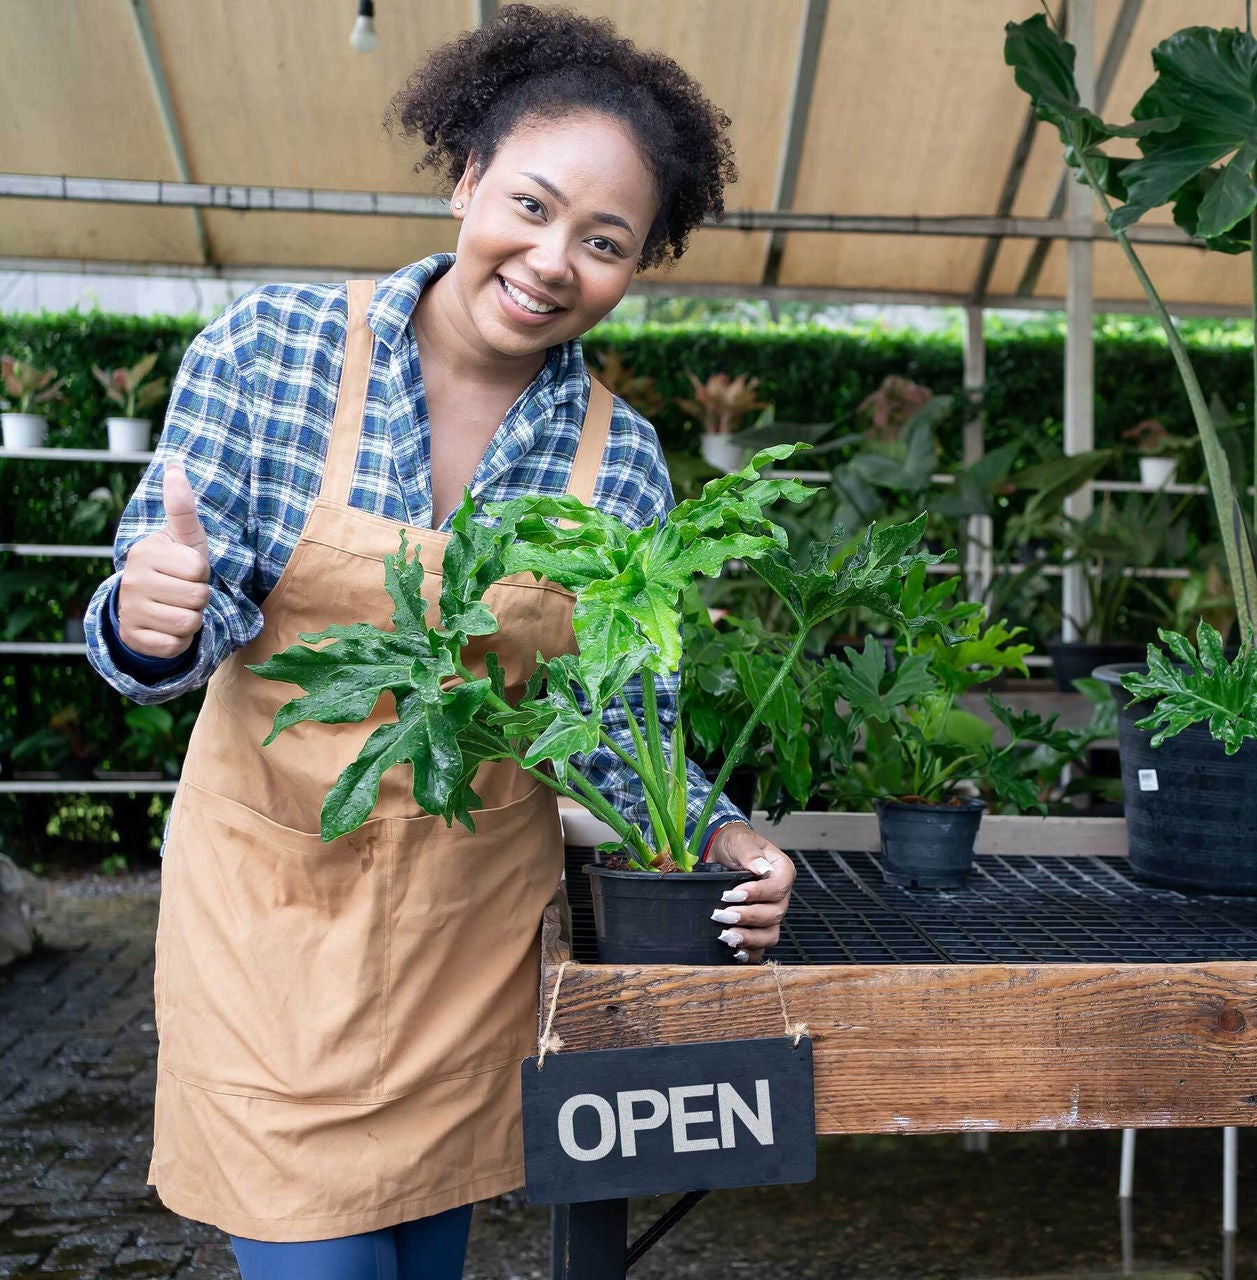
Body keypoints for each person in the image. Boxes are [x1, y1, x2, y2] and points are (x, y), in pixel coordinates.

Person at [84, 6, 797, 1277]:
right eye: (529, 203)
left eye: (605, 241)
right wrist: (153, 620)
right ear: (465, 175)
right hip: (272, 931)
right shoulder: (271, 348)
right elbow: (168, 628)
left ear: (638, 266)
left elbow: (614, 731)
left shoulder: (618, 461)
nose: (552, 259)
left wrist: (725, 831)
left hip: (465, 949)